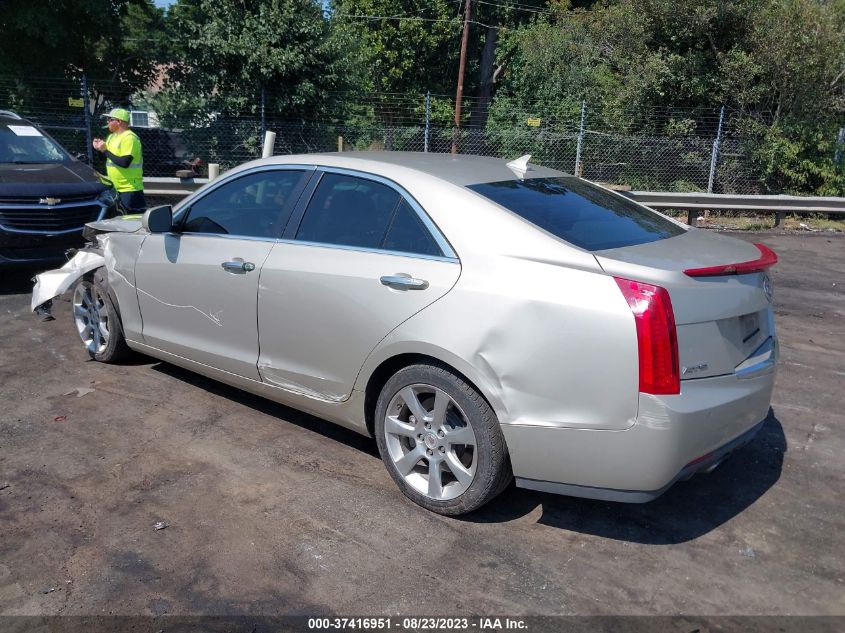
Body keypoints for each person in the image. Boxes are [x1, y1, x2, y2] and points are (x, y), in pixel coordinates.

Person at [92, 108, 146, 214]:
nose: (107, 122)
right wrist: (99, 149)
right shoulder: (112, 137)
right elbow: (104, 158)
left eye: (110, 119)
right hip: (115, 188)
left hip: (129, 189)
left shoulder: (130, 138)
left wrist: (104, 150)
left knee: (132, 221)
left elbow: (124, 163)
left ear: (119, 121)